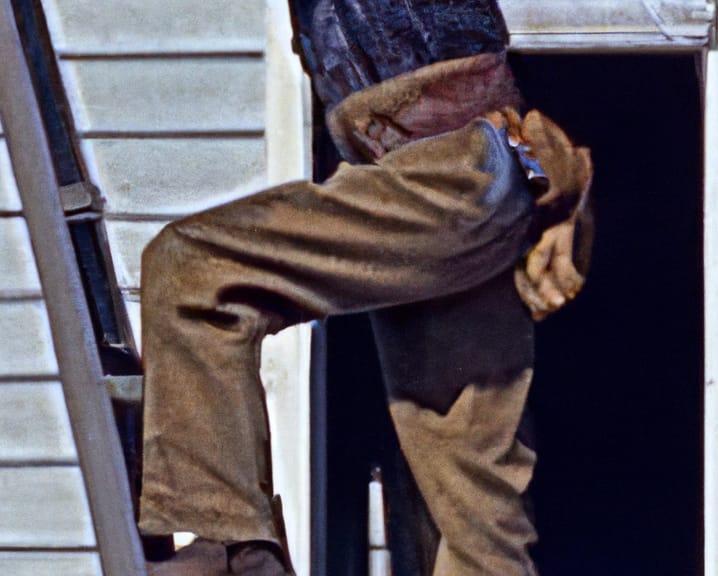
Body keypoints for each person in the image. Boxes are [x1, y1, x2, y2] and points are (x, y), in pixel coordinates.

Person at [139, 1, 593, 574]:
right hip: (465, 176)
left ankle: (232, 551)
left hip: (456, 166)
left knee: (195, 268)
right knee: (474, 495)